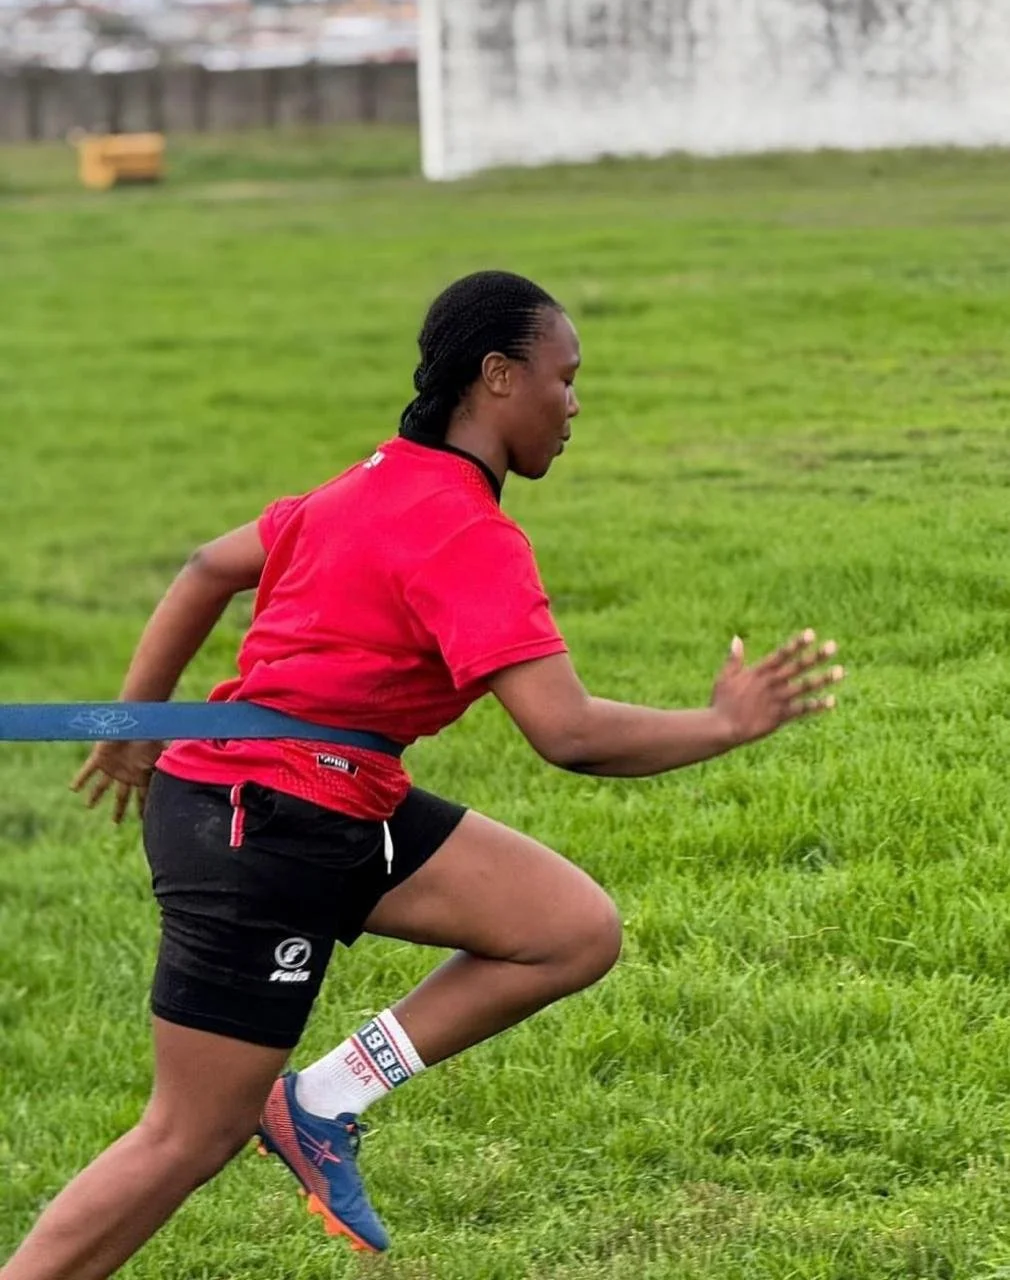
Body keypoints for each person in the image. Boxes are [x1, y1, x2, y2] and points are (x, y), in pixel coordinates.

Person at [2, 270, 844, 1278]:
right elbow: (568, 733)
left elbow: (205, 567)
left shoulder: (370, 482)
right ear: (498, 376)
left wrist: (133, 727)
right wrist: (722, 724)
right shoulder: (466, 534)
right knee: (188, 1134)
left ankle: (320, 1101)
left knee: (567, 928)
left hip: (314, 796)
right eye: (564, 378)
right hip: (265, 824)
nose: (574, 404)